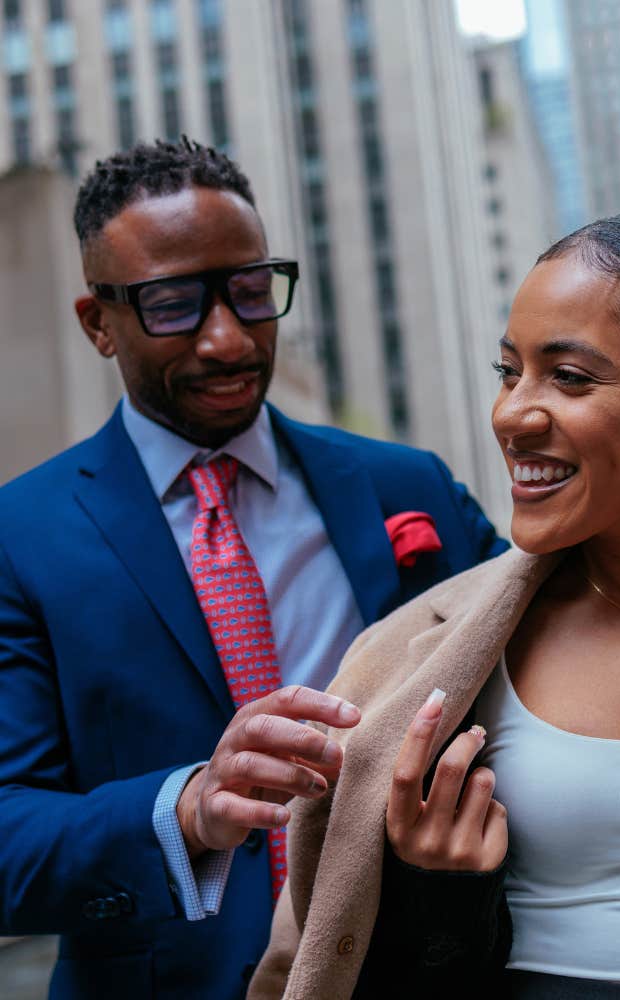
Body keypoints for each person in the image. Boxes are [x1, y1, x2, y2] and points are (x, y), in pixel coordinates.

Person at [248, 210, 620, 1000]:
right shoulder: (411, 655)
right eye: (509, 372)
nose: (512, 415)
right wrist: (439, 890)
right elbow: (328, 958)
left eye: (569, 377)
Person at [0, 137, 506, 999]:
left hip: (414, 970)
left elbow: (555, 643)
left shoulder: (403, 486)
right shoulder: (20, 534)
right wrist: (190, 809)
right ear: (97, 323)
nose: (227, 339)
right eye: (173, 306)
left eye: (248, 292)